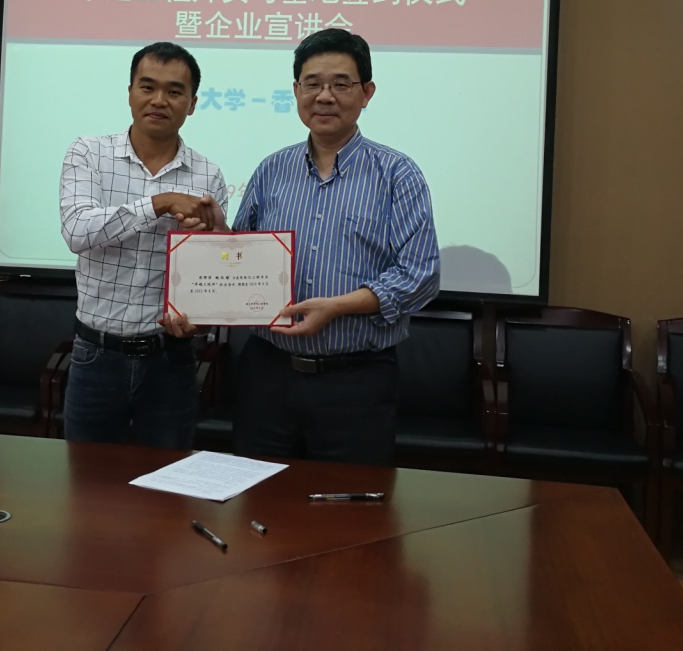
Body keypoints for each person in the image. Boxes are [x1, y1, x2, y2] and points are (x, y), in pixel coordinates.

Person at [230, 28, 439, 465]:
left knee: (350, 500)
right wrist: (212, 235)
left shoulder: (397, 174)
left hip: (356, 379)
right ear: (296, 91)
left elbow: (420, 275)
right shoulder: (271, 169)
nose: (325, 96)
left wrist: (338, 307)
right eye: (313, 83)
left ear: (366, 93)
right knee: (259, 493)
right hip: (267, 374)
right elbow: (240, 254)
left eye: (341, 84)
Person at [60, 42, 226, 449]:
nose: (159, 100)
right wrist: (160, 203)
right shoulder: (89, 153)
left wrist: (201, 318)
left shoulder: (208, 174)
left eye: (174, 91)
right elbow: (77, 230)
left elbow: (214, 268)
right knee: (87, 479)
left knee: (168, 479)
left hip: (171, 358)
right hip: (96, 355)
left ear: (192, 103)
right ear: (130, 92)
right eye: (147, 87)